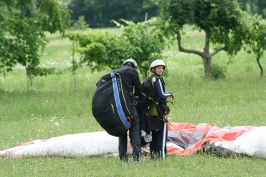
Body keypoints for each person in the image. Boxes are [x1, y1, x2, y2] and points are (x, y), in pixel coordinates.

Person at [141, 59, 174, 160]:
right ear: (153, 69)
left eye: (162, 68)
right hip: (158, 113)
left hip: (149, 112)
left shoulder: (148, 79)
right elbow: (161, 94)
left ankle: (153, 157)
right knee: (161, 135)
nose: (161, 70)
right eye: (158, 68)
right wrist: (170, 93)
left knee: (154, 135)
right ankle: (161, 158)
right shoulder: (157, 79)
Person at [116, 58, 142, 162]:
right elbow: (139, 89)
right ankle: (136, 157)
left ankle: (123, 157)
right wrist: (136, 96)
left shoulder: (117, 72)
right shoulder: (133, 72)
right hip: (130, 106)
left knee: (122, 131)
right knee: (135, 129)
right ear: (134, 66)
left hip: (119, 107)